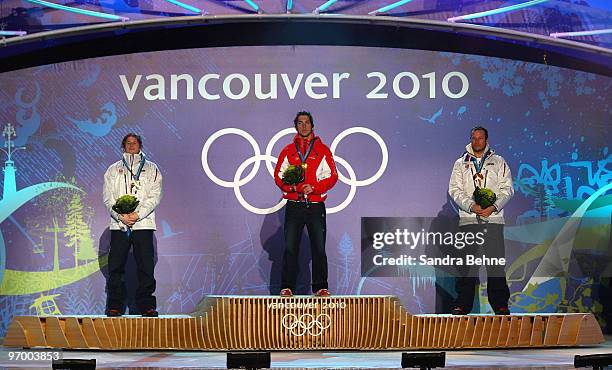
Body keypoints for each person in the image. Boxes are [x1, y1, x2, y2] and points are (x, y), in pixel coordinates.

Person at [448, 126, 514, 315]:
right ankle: (462, 304)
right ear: (470, 139)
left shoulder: (499, 161)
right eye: (474, 138)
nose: (477, 141)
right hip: (469, 220)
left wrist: (493, 207)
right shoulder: (460, 163)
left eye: (480, 138)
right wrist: (471, 206)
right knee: (466, 264)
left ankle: (500, 304)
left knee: (495, 264)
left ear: (486, 140)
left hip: (492, 220)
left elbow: (507, 189)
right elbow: (454, 189)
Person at [274, 111, 338, 297]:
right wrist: (296, 187)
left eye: (307, 122)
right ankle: (287, 287)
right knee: (290, 248)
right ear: (296, 127)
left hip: (316, 205)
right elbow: (278, 177)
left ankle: (320, 287)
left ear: (312, 126)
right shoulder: (288, 150)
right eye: (300, 123)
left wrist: (315, 188)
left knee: (319, 248)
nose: (304, 126)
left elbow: (333, 176)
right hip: (294, 205)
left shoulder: (323, 150)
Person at [103, 133, 163, 317]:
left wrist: (137, 214)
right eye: (128, 143)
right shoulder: (113, 170)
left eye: (134, 143)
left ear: (140, 146)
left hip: (143, 224)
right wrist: (121, 216)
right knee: (116, 266)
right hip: (119, 225)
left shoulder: (152, 169)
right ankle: (115, 305)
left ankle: (146, 305)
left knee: (145, 266)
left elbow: (155, 196)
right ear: (123, 146)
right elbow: (107, 197)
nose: (131, 145)